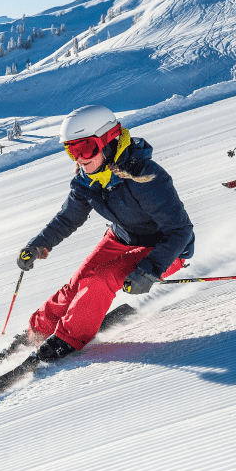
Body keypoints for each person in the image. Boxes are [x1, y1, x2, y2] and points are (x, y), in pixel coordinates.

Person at [17, 105, 195, 362]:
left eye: (85, 148)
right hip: (122, 238)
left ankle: (68, 338)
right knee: (77, 284)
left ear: (108, 140)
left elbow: (180, 230)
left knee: (100, 280)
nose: (79, 158)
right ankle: (38, 330)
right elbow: (68, 218)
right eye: (71, 150)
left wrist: (150, 269)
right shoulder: (87, 180)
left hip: (165, 248)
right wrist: (38, 245)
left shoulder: (144, 176)